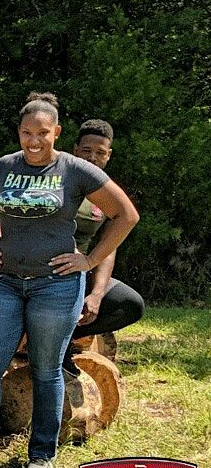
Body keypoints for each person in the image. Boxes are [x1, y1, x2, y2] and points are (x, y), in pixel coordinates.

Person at [0, 93, 139, 468]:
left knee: (46, 369)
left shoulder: (76, 170)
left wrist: (89, 260)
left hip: (55, 286)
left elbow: (125, 215)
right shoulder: (3, 167)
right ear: (19, 132)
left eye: (43, 132)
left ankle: (41, 453)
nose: (34, 140)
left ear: (56, 132)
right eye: (27, 132)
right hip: (6, 282)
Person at [64, 119, 145, 373]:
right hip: (49, 268)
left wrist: (97, 293)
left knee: (130, 304)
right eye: (87, 151)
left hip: (82, 269)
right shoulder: (59, 177)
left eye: (100, 153)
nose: (92, 157)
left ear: (108, 156)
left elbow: (109, 245)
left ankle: (64, 339)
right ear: (76, 149)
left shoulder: (106, 191)